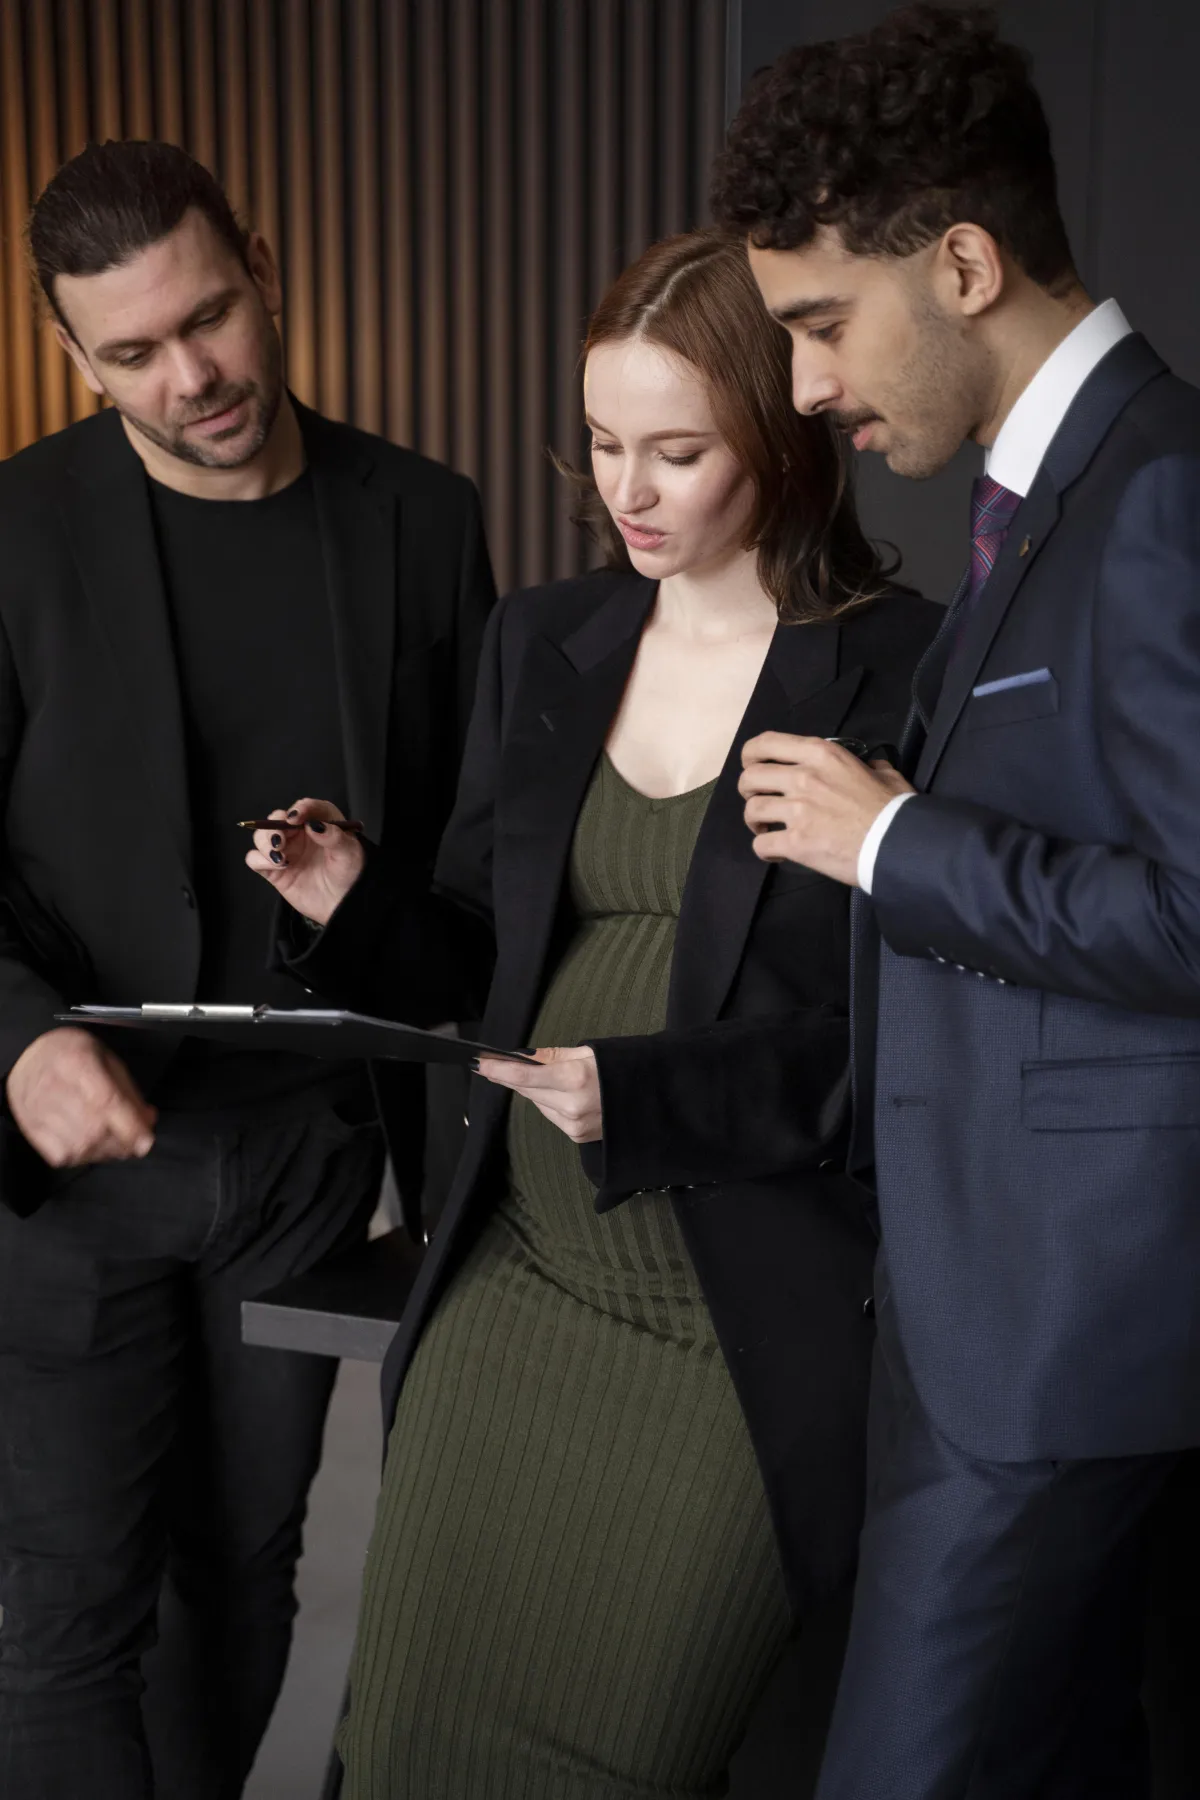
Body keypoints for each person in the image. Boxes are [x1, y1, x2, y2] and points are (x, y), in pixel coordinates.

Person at [250, 225, 940, 1798]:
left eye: (678, 451)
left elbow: (905, 1057)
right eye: (606, 444)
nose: (627, 491)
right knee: (402, 1749)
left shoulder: (902, 671)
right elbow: (479, 963)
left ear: (784, 430)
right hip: (518, 1282)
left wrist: (653, 1095)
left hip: (728, 1342)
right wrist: (354, 906)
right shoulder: (543, 643)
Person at [712, 5, 1200, 1794]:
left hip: (1067, 1350)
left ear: (968, 263)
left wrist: (893, 844)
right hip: (986, 1322)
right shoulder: (1036, 508)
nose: (813, 386)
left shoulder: (1163, 498)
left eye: (823, 323)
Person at [0, 140, 494, 1800]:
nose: (188, 375)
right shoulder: (13, 530)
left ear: (263, 267)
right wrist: (15, 1045)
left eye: (207, 319)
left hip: (306, 1152)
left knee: (246, 1580)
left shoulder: (427, 520)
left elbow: (462, 861)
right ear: (74, 353)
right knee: (68, 1610)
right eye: (130, 352)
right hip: (78, 1154)